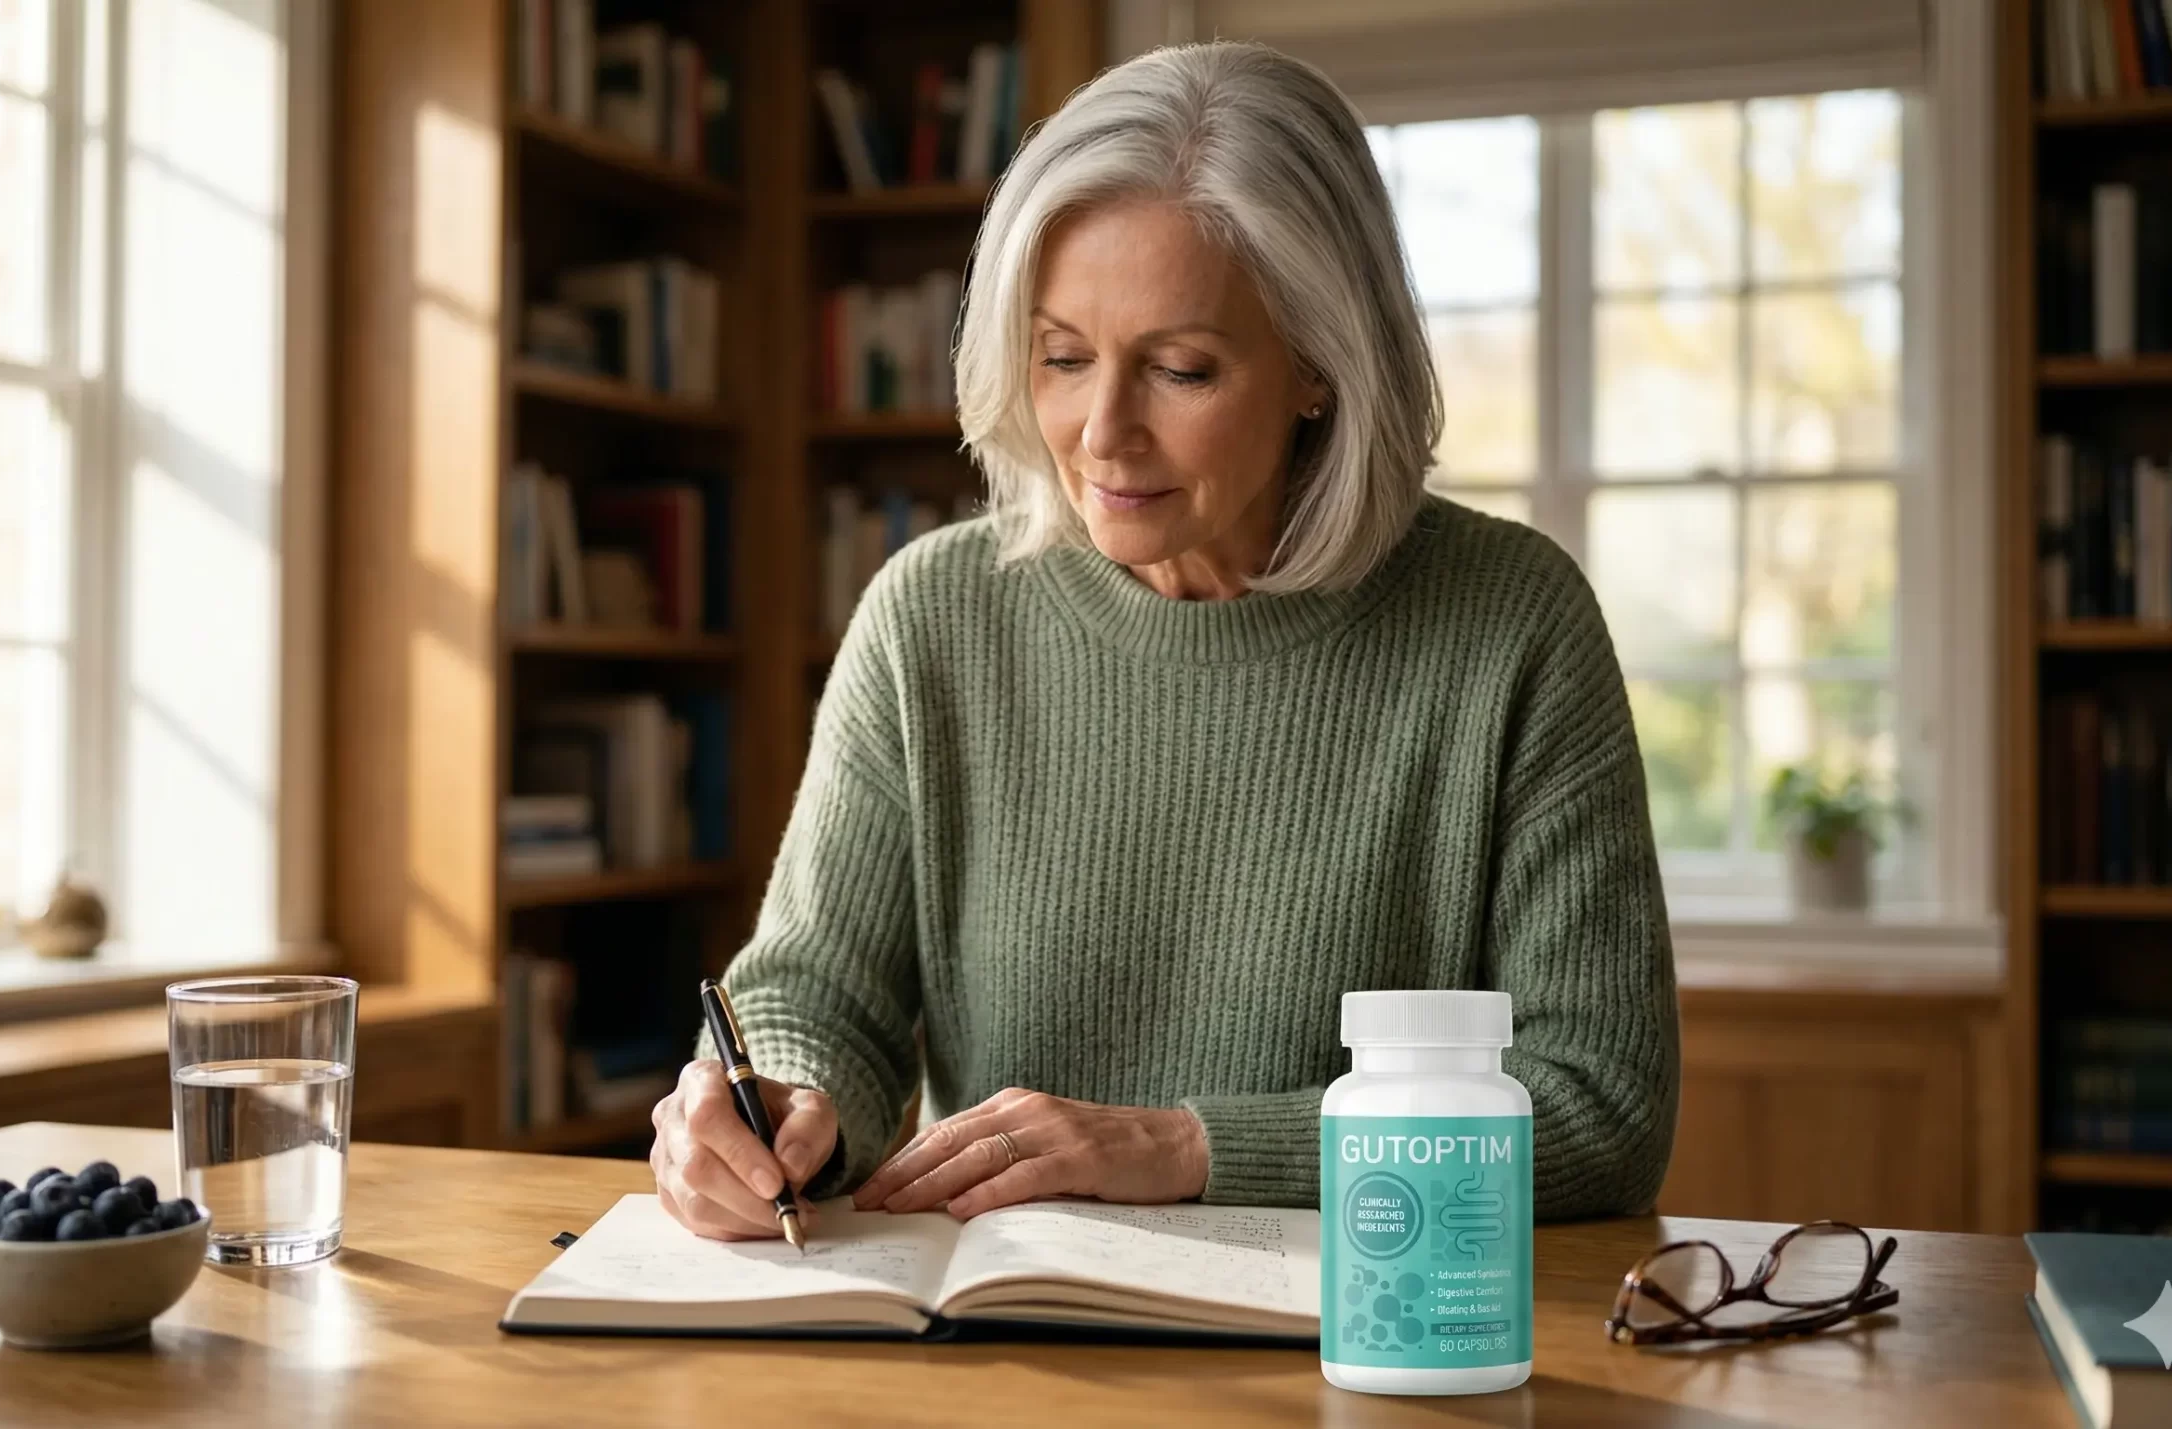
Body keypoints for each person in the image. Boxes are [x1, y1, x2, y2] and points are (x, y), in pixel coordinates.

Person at [650, 40, 1677, 1240]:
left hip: (1375, 1333)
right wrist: (777, 1098)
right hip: (1004, 1342)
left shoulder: (1511, 621)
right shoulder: (932, 614)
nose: (1100, 434)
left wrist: (1189, 1148)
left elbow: (1601, 1106)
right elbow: (820, 989)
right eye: (1062, 357)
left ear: (1318, 367)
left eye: (1181, 369)